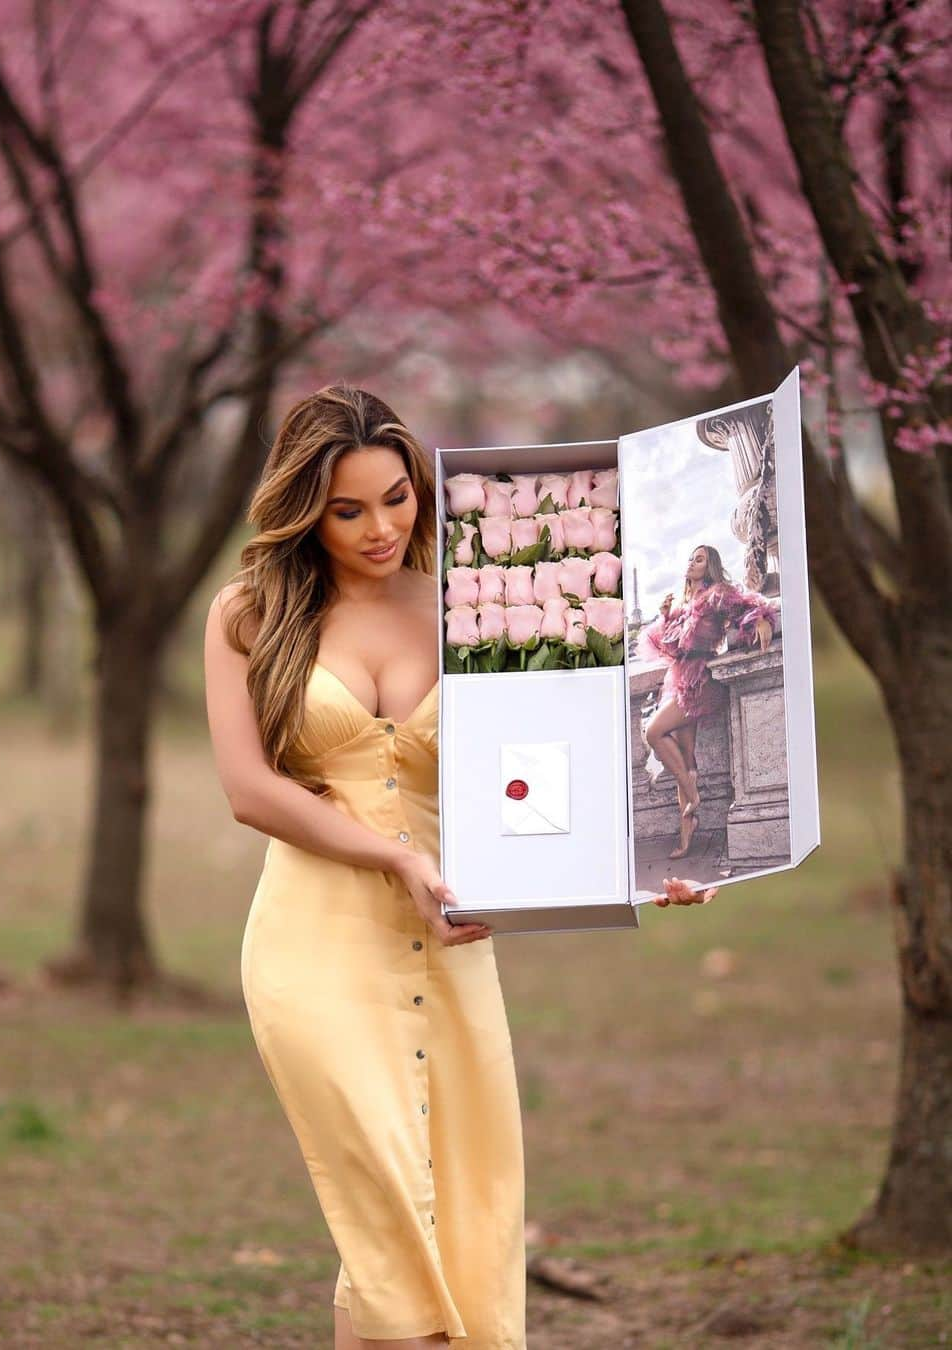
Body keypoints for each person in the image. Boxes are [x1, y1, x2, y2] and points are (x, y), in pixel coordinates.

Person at [204, 384, 715, 1349]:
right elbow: (248, 788)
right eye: (346, 509)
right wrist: (394, 857)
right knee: (388, 1226)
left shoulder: (473, 603)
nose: (378, 527)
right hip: (316, 948)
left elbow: (561, 762)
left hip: (454, 939)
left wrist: (650, 865)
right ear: (304, 507)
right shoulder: (248, 614)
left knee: (458, 1227)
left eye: (395, 497)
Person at [639, 543, 778, 861]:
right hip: (677, 678)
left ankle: (692, 795)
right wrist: (665, 616)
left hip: (698, 680)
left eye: (699, 559)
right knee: (685, 758)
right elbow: (670, 647)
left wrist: (760, 619)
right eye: (690, 557)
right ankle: (688, 831)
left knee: (653, 732)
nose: (691, 562)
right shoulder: (685, 602)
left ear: (710, 565)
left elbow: (745, 605)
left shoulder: (718, 593)